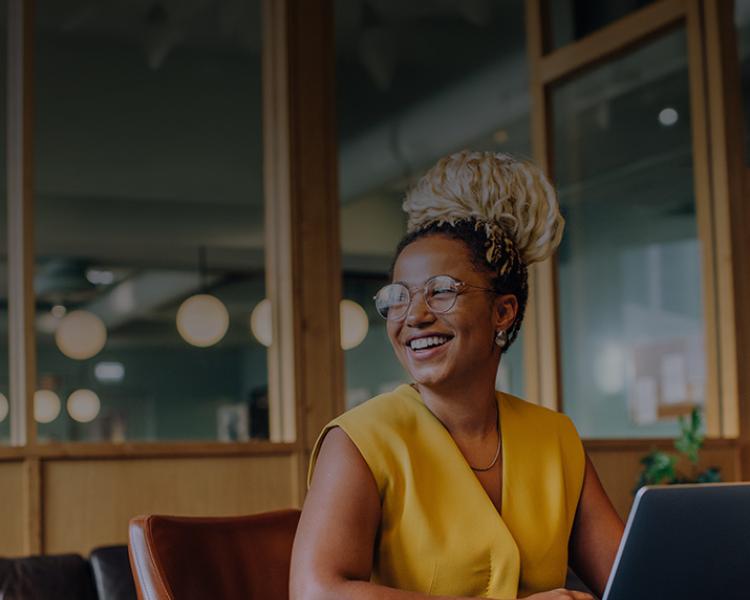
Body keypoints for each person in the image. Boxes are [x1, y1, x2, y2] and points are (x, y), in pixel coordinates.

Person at [290, 151, 624, 599]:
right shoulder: (360, 441)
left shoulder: (555, 437)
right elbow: (316, 593)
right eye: (399, 297)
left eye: (442, 291)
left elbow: (632, 582)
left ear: (503, 311)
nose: (415, 316)